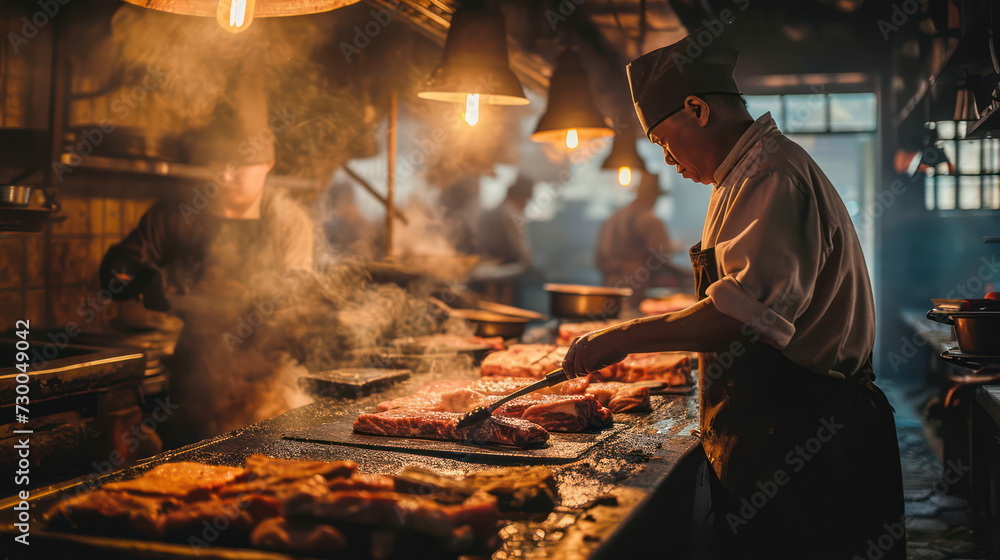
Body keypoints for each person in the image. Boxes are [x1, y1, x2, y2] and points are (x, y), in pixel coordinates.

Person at [562, 34, 904, 559]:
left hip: (804, 436)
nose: (668, 159)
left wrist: (625, 336)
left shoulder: (770, 174)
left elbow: (746, 314)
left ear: (696, 109)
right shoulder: (742, 176)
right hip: (779, 427)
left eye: (661, 141)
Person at [100, 111, 314, 446]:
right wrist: (140, 278)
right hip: (195, 372)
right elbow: (116, 272)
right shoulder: (180, 213)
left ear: (268, 163)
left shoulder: (288, 221)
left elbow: (296, 293)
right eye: (218, 164)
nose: (226, 176)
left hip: (267, 374)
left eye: (239, 165)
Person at [594, 171, 672, 300]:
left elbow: (599, 257)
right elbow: (660, 257)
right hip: (637, 287)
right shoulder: (651, 220)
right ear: (653, 196)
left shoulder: (613, 218)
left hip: (609, 285)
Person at [478, 175, 535, 268]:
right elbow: (521, 248)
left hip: (487, 264)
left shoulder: (491, 211)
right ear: (524, 197)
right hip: (506, 268)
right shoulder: (512, 214)